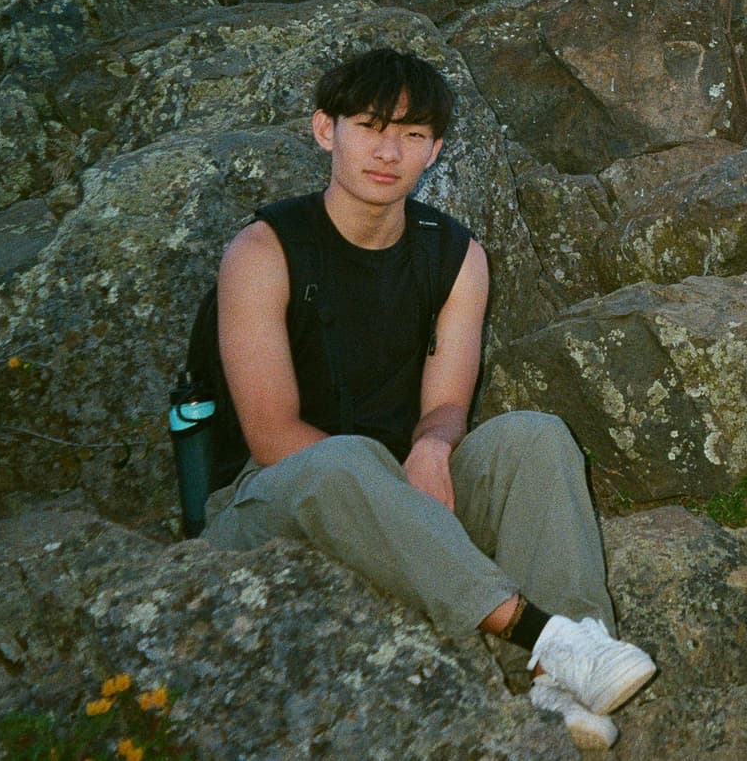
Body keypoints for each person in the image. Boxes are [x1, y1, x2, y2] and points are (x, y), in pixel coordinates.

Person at [199, 47, 654, 750]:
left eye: (412, 135)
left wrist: (435, 446)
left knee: (535, 435)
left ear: (435, 150)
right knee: (345, 462)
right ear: (325, 130)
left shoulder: (455, 256)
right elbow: (271, 433)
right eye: (369, 126)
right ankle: (546, 639)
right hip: (271, 497)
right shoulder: (265, 251)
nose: (389, 152)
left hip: (396, 498)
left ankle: (563, 681)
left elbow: (445, 405)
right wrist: (396, 491)